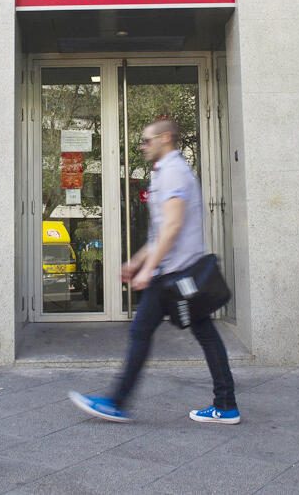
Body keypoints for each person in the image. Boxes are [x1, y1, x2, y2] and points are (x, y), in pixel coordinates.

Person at [69, 118, 239, 424]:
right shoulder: (166, 171)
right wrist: (136, 262)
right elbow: (161, 230)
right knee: (203, 334)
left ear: (165, 138)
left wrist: (147, 269)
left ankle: (116, 402)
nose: (143, 146)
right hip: (175, 272)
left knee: (141, 333)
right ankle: (225, 405)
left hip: (174, 273)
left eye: (146, 141)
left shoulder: (173, 171)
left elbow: (172, 227)